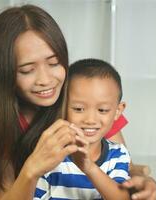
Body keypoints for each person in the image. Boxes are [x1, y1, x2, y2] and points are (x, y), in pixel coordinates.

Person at [0, 4, 156, 200]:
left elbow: (125, 168)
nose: (45, 80)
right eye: (27, 70)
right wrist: (32, 169)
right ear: (4, 74)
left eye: (54, 63)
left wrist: (144, 180)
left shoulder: (88, 103)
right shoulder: (4, 124)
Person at [35, 58, 131, 199]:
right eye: (79, 109)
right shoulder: (50, 154)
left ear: (118, 111)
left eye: (102, 110)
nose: (90, 120)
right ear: (63, 106)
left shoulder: (118, 155)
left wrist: (88, 167)